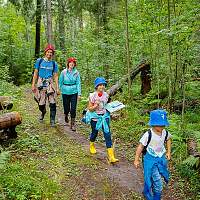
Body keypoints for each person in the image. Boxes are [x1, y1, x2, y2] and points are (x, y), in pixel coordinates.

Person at [134, 109, 172, 200]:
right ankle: (155, 196)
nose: (162, 127)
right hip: (150, 159)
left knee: (157, 175)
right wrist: (136, 159)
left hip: (160, 158)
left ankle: (147, 191)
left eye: (163, 125)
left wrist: (168, 152)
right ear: (153, 124)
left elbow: (169, 139)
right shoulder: (148, 134)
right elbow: (140, 147)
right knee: (156, 180)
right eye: (160, 125)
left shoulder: (165, 133)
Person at [87, 77, 118, 163]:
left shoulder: (106, 95)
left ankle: (111, 156)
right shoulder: (92, 95)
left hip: (105, 117)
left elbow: (106, 106)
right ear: (96, 86)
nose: (102, 86)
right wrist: (95, 106)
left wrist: (112, 110)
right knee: (94, 132)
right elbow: (89, 109)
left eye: (103, 85)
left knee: (107, 134)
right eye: (100, 85)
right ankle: (92, 145)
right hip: (95, 117)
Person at [32, 44, 60, 127]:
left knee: (52, 102)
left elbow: (55, 75)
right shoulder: (39, 61)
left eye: (51, 52)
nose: (49, 54)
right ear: (45, 52)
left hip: (50, 83)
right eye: (48, 52)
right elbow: (36, 73)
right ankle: (43, 112)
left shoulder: (54, 64)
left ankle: (52, 120)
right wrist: (33, 84)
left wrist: (57, 88)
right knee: (41, 103)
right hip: (41, 83)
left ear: (53, 54)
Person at [59, 57, 81, 131]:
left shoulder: (76, 73)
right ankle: (66, 115)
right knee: (66, 107)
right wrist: (58, 90)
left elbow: (78, 83)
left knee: (73, 108)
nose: (72, 64)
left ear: (74, 64)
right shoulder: (63, 72)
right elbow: (60, 82)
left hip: (74, 92)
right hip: (65, 91)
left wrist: (79, 94)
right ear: (68, 64)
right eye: (70, 62)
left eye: (73, 63)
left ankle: (72, 123)